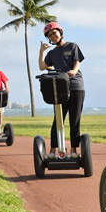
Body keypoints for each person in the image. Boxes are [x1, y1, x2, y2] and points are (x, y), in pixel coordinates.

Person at [38, 22, 85, 160]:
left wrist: (74, 71)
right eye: (50, 35)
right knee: (58, 119)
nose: (53, 36)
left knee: (74, 119)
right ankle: (53, 150)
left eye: (54, 33)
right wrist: (42, 51)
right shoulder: (52, 53)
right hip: (59, 88)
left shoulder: (72, 46)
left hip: (76, 86)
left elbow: (77, 62)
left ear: (60, 31)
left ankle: (74, 150)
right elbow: (42, 67)